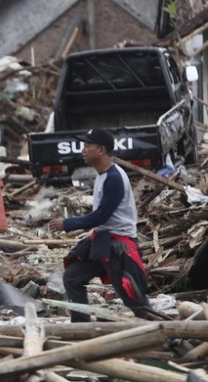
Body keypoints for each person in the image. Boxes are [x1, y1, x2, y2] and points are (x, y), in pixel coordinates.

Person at [47, 127, 152, 322]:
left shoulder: (114, 178)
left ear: (101, 150)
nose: (83, 150)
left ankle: (165, 333)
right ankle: (82, 328)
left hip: (118, 246)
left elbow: (100, 217)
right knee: (72, 278)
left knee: (132, 297)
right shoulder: (102, 175)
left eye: (88, 146)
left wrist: (67, 223)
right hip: (103, 241)